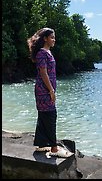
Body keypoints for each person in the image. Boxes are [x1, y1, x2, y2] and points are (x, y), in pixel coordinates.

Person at [27, 28, 72, 157]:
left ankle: (41, 145)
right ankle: (53, 148)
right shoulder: (42, 53)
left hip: (46, 89)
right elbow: (43, 72)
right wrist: (51, 90)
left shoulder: (48, 52)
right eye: (51, 37)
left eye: (54, 37)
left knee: (43, 116)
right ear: (45, 38)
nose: (54, 40)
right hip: (44, 90)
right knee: (50, 116)